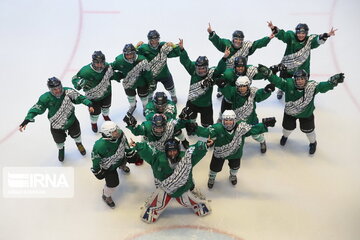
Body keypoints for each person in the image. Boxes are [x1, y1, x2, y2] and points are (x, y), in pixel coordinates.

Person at [257, 64, 344, 154]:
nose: (300, 81)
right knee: (287, 129)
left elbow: (322, 86)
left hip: (306, 115)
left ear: (306, 79)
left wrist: (331, 83)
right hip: (290, 114)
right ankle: (285, 136)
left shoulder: (312, 86)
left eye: (302, 79)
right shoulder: (288, 84)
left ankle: (313, 143)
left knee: (309, 132)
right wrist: (269, 74)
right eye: (297, 79)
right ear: (295, 80)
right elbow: (278, 81)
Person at [130, 138, 213, 223]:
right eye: (170, 151)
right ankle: (152, 210)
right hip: (164, 188)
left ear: (178, 150)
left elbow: (195, 152)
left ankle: (198, 203)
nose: (172, 153)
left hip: (182, 187)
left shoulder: (186, 158)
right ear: (166, 152)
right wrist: (138, 146)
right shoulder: (158, 159)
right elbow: (148, 152)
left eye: (174, 151)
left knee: (186, 201)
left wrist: (204, 145)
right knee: (159, 202)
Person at [187, 110, 276, 189]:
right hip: (220, 154)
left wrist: (264, 125)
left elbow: (253, 129)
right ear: (222, 121)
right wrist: (196, 129)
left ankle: (233, 176)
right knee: (214, 168)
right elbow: (206, 132)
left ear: (234, 120)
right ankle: (212, 177)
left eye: (230, 120)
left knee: (235, 167)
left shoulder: (242, 128)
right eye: (226, 120)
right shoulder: (217, 128)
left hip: (235, 154)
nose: (228, 122)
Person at [19, 77, 94, 162]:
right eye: (55, 89)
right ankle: (61, 149)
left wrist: (89, 104)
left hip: (71, 120)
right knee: (59, 141)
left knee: (77, 135)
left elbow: (80, 98)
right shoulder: (45, 98)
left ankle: (79, 144)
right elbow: (37, 108)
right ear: (50, 89)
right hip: (56, 123)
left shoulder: (68, 91)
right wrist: (28, 119)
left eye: (59, 88)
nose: (58, 91)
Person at [267, 21, 337, 99]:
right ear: (296, 32)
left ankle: (300, 94)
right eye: (299, 33)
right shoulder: (291, 36)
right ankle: (281, 89)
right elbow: (282, 35)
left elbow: (318, 39)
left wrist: (326, 35)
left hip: (303, 67)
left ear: (306, 33)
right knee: (283, 78)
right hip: (288, 65)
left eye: (303, 33)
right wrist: (273, 28)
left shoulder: (309, 40)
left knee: (302, 83)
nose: (301, 35)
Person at [207, 23, 273, 97]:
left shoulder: (246, 46)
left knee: (241, 81)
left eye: (240, 39)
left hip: (241, 70)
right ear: (233, 39)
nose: (238, 41)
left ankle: (242, 91)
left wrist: (268, 38)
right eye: (236, 39)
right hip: (228, 70)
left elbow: (256, 44)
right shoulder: (227, 45)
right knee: (224, 79)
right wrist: (212, 33)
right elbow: (218, 42)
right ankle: (222, 90)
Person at [178, 38, 229, 127]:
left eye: (203, 68)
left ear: (207, 67)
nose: (201, 71)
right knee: (190, 121)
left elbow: (219, 69)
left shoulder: (211, 73)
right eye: (199, 68)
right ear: (195, 67)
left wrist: (224, 58)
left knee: (207, 125)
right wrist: (182, 49)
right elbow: (185, 61)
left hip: (206, 105)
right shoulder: (192, 70)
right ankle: (192, 127)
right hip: (192, 103)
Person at [219, 76, 275, 153]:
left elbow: (259, 95)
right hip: (238, 121)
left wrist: (266, 91)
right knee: (236, 135)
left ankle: (262, 141)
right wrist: (223, 86)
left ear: (248, 86)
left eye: (244, 86)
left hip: (252, 119)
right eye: (240, 86)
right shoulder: (233, 92)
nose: (242, 88)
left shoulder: (253, 92)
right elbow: (227, 92)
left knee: (256, 135)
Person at [91, 121, 139, 208]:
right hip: (109, 167)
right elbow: (95, 158)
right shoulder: (99, 146)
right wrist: (97, 169)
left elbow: (125, 143)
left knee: (124, 160)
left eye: (116, 129)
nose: (118, 131)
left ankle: (122, 166)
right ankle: (106, 196)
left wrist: (129, 152)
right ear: (108, 134)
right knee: (113, 184)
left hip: (120, 158)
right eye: (114, 131)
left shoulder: (120, 134)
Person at [72, 51, 119, 132]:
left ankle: (105, 116)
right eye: (97, 63)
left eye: (101, 62)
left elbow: (114, 72)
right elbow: (74, 79)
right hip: (93, 97)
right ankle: (93, 123)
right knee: (95, 113)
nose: (100, 65)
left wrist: (119, 76)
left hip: (106, 93)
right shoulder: (85, 71)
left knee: (106, 107)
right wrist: (79, 83)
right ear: (93, 62)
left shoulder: (107, 66)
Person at [137, 30, 181, 103]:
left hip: (164, 73)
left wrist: (174, 46)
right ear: (149, 40)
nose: (154, 42)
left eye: (156, 39)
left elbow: (176, 53)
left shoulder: (163, 46)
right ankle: (150, 99)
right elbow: (133, 56)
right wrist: (136, 46)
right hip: (151, 75)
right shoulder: (143, 48)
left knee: (171, 87)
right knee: (150, 90)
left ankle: (173, 96)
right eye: (152, 40)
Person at [111, 43, 155, 115]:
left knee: (144, 96)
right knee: (130, 97)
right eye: (127, 54)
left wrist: (150, 81)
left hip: (141, 81)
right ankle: (133, 106)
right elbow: (111, 67)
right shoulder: (119, 60)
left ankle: (145, 107)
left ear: (135, 53)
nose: (129, 56)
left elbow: (148, 72)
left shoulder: (142, 59)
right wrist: (117, 75)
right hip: (128, 83)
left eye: (131, 54)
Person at [123, 111, 190, 153]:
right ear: (152, 125)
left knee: (177, 130)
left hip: (168, 143)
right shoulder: (147, 126)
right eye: (156, 128)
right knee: (144, 137)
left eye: (161, 128)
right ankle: (141, 149)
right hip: (152, 143)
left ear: (165, 125)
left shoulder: (170, 124)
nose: (158, 130)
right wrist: (133, 126)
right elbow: (138, 130)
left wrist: (184, 119)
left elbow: (179, 123)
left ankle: (184, 140)